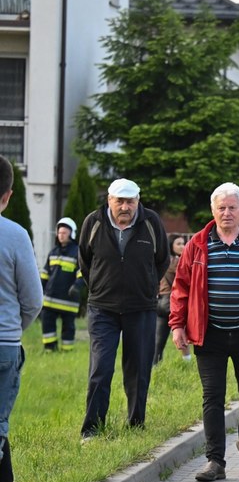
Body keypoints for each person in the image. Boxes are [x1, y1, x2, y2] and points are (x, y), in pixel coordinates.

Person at [170, 183, 239, 482]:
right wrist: (177, 325)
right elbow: (180, 288)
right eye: (221, 207)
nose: (227, 213)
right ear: (213, 210)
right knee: (213, 397)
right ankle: (215, 461)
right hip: (209, 334)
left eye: (232, 207)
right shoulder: (197, 243)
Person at [79, 178, 169, 441]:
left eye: (130, 201)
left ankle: (136, 424)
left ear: (137, 201)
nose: (125, 207)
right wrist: (99, 287)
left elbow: (162, 260)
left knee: (139, 368)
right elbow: (85, 261)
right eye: (119, 201)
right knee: (101, 368)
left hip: (140, 308)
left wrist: (146, 286)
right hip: (102, 309)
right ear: (109, 200)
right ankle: (92, 429)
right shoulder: (93, 223)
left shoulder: (151, 223)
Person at [0, 156, 42, 482]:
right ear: (8, 195)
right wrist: (14, 329)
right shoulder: (15, 235)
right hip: (5, 345)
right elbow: (33, 299)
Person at [39, 217, 84, 351]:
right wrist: (40, 289)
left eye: (64, 232)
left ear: (72, 234)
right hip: (50, 298)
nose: (61, 235)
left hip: (69, 299)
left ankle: (67, 350)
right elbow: (45, 274)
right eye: (59, 232)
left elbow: (82, 273)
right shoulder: (53, 253)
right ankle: (50, 349)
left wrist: (77, 286)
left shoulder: (78, 253)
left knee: (68, 326)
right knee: (47, 323)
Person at [153, 234, 187, 364]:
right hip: (172, 302)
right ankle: (187, 363)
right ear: (171, 246)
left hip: (160, 301)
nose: (182, 246)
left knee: (159, 340)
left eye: (183, 243)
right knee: (183, 334)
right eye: (178, 244)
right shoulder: (177, 262)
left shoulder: (162, 261)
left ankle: (155, 366)